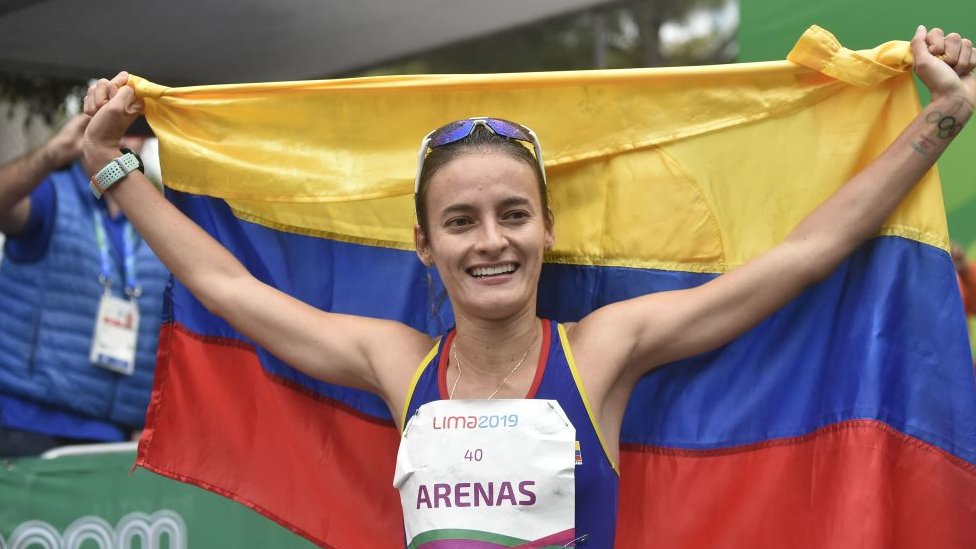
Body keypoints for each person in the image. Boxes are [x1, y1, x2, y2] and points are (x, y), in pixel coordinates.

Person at [81, 26, 973, 546]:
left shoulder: (606, 351)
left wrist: (941, 118)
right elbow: (228, 290)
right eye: (461, 222)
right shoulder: (396, 364)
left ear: (549, 228)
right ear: (423, 244)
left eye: (514, 214)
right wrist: (112, 168)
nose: (492, 241)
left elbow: (803, 256)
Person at [0, 114, 169, 457]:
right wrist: (54, 151)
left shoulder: (157, 214)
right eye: (108, 124)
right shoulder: (50, 194)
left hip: (116, 434)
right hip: (29, 423)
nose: (120, 136)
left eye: (129, 126)